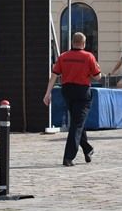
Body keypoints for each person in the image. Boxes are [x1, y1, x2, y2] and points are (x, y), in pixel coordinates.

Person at [43, 32, 101, 167]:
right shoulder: (88, 56)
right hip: (82, 92)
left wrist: (47, 93)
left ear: (72, 42)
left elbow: (54, 76)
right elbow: (97, 76)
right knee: (77, 124)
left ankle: (88, 149)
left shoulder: (63, 57)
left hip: (67, 91)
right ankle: (68, 157)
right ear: (84, 43)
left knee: (77, 121)